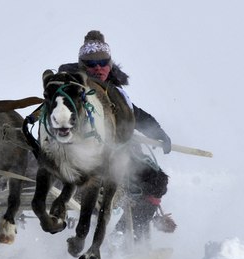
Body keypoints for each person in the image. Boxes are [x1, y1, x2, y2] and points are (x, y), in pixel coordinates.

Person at [58, 30, 176, 243]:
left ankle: (125, 235)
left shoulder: (116, 91)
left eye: (103, 63)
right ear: (82, 65)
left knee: (157, 181)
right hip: (79, 154)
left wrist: (158, 133)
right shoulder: (71, 88)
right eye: (91, 64)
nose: (98, 68)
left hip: (119, 152)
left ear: (110, 64)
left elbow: (135, 114)